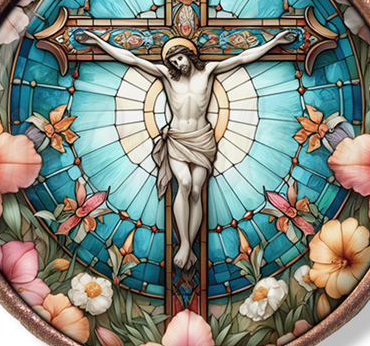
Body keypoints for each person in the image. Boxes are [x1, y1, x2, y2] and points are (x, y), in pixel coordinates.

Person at [74, 30, 297, 270]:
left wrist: (275, 41)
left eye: (180, 58)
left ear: (189, 55)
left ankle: (188, 246)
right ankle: (185, 246)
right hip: (178, 139)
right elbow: (132, 59)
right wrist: (98, 41)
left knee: (196, 190)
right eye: (173, 62)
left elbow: (243, 57)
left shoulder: (209, 71)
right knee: (184, 183)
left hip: (202, 139)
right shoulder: (167, 77)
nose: (178, 64)